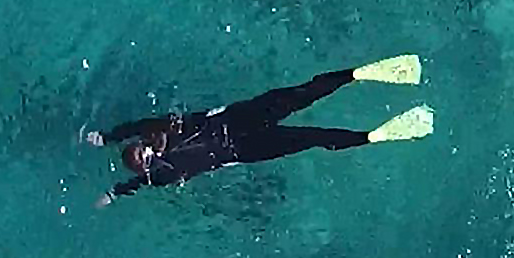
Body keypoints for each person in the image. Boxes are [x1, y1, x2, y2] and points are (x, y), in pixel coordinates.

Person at [91, 55, 429, 205]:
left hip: (237, 118)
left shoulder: (165, 128)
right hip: (244, 149)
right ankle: (372, 136)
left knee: (302, 93)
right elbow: (139, 183)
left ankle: (356, 74)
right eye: (144, 158)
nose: (149, 152)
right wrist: (114, 193)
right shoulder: (162, 173)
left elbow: (138, 126)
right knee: (313, 138)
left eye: (144, 148)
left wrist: (107, 137)